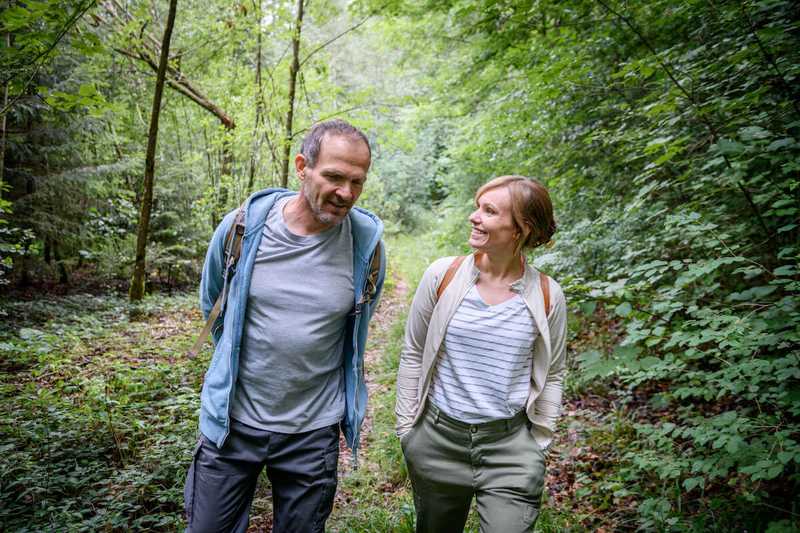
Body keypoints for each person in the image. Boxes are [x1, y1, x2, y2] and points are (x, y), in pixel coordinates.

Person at [184, 119, 385, 533]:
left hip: (312, 431)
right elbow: (214, 305)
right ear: (302, 167)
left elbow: (357, 324)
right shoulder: (242, 229)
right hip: (232, 422)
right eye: (334, 177)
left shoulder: (366, 247)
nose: (346, 193)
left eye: (357, 182)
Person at [395, 175, 567, 532]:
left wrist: (540, 443)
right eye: (478, 207)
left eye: (489, 211)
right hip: (437, 442)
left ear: (521, 229)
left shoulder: (547, 294)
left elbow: (553, 373)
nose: (474, 217)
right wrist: (408, 431)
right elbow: (413, 352)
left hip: (511, 449)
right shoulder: (442, 275)